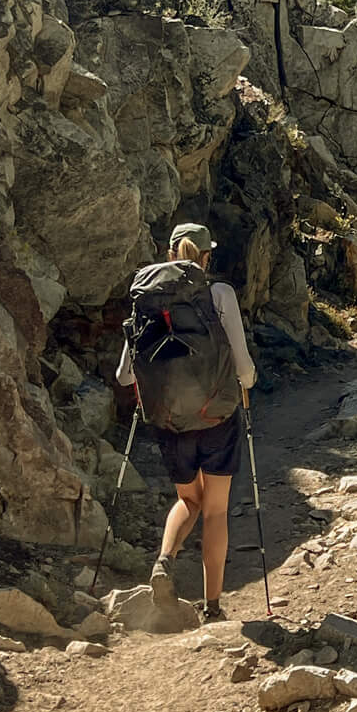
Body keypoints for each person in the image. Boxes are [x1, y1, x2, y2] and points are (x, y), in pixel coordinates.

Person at [117, 222, 256, 623]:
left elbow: (125, 376)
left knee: (188, 500)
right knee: (214, 510)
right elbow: (244, 368)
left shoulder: (145, 299)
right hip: (217, 417)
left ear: (170, 253)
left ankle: (164, 560)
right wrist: (247, 384)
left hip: (169, 422)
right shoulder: (219, 294)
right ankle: (213, 608)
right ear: (206, 256)